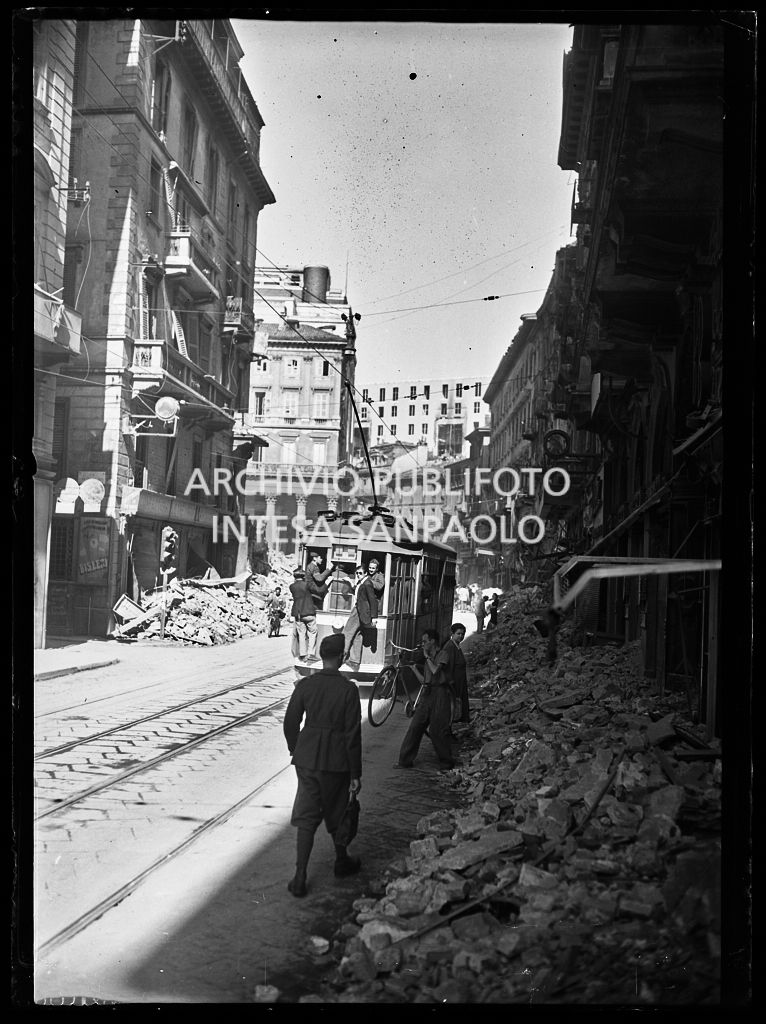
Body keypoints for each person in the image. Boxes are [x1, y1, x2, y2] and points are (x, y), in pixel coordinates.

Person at [282, 633, 362, 897]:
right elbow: (352, 734)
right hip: (336, 761)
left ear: (322, 656)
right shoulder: (348, 689)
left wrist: (297, 748)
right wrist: (355, 773)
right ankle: (341, 860)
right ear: (340, 658)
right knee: (337, 810)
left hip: (307, 758)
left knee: (307, 815)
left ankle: (300, 875)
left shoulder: (305, 685)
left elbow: (290, 722)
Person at [395, 628, 457, 771]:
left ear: (432, 641)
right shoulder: (427, 659)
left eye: (425, 641)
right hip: (428, 693)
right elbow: (425, 681)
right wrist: (414, 670)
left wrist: (427, 658)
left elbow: (436, 671)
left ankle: (446, 763)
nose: (423, 644)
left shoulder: (443, 654)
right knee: (415, 726)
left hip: (441, 694)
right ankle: (405, 760)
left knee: (437, 730)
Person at [343, 558, 385, 671]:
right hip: (360, 610)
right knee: (357, 635)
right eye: (356, 573)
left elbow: (373, 600)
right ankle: (355, 662)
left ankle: (340, 657)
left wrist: (374, 617)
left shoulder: (367, 583)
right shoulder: (362, 582)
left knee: (347, 633)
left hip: (359, 611)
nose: (358, 575)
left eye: (360, 573)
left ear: (365, 573)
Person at [440, 622, 470, 723]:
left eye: (462, 634)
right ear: (452, 634)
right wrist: (451, 684)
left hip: (460, 682)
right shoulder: (450, 647)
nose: (461, 636)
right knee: (453, 708)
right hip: (454, 684)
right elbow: (448, 668)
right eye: (458, 634)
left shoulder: (457, 645)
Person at [289, 569, 319, 663]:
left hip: (298, 613)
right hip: (309, 612)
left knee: (301, 634)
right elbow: (317, 590)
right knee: (312, 633)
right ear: (303, 576)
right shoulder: (306, 585)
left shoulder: (292, 586)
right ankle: (311, 654)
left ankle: (303, 654)